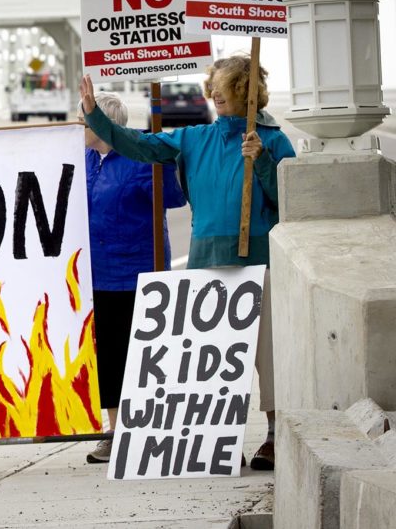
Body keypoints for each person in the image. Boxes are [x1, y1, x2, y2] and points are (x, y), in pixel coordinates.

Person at [79, 55, 296, 471]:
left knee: (267, 355)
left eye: (224, 84)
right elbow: (137, 145)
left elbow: (291, 203)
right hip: (205, 260)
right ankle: (217, 439)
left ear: (245, 91)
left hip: (261, 260)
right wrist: (96, 118)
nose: (213, 92)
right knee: (211, 359)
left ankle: (272, 435)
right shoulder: (195, 139)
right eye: (211, 84)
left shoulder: (273, 140)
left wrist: (264, 163)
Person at [82, 93, 187, 464]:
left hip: (140, 271)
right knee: (108, 356)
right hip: (98, 275)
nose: (80, 128)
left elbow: (173, 200)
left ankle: (151, 429)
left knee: (145, 355)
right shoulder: (85, 160)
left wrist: (163, 164)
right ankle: (114, 431)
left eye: (86, 121)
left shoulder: (139, 160)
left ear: (103, 125)